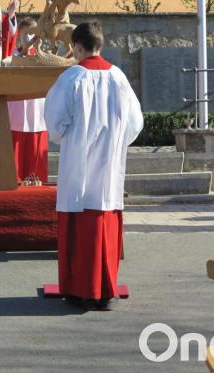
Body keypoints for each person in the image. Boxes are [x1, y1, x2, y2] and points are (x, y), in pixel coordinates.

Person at [44, 21, 143, 310]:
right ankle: (105, 289)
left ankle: (79, 289)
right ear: (100, 44)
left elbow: (55, 121)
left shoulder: (72, 77)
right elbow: (136, 123)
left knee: (78, 219)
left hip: (79, 163)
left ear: (77, 47)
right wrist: (115, 142)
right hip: (109, 165)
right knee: (105, 218)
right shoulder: (119, 78)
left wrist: (68, 138)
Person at [8, 17, 48, 184]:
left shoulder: (44, 57)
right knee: (16, 147)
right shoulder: (11, 57)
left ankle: (36, 179)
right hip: (17, 110)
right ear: (19, 36)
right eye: (26, 35)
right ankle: (15, 180)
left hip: (37, 110)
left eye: (33, 35)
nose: (30, 39)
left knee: (36, 149)